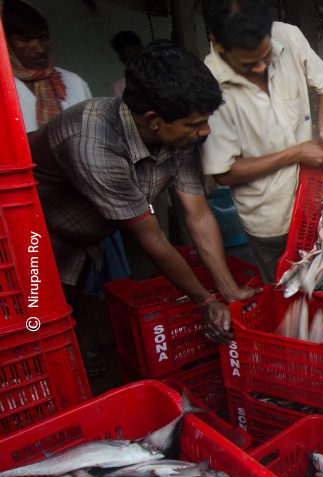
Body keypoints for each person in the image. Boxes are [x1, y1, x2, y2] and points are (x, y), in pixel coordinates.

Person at [28, 42, 258, 343]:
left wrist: (229, 291)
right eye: (196, 124)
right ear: (153, 120)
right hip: (34, 239)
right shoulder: (92, 139)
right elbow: (152, 237)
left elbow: (197, 214)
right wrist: (204, 301)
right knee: (36, 324)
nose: (206, 132)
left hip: (88, 237)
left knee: (75, 315)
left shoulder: (181, 138)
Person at [200, 0, 323, 284]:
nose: (261, 67)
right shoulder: (208, 83)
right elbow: (224, 172)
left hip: (316, 200)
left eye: (267, 56)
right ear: (217, 43)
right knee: (286, 291)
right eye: (248, 64)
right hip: (269, 220)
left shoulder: (288, 36)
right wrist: (295, 154)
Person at [3, 0, 91, 132]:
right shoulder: (5, 89)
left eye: (43, 37)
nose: (39, 49)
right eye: (25, 40)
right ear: (7, 44)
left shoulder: (74, 82)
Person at [110, 30, 144, 97]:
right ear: (123, 60)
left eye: (136, 55)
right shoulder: (121, 87)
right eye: (130, 58)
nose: (136, 63)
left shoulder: (161, 77)